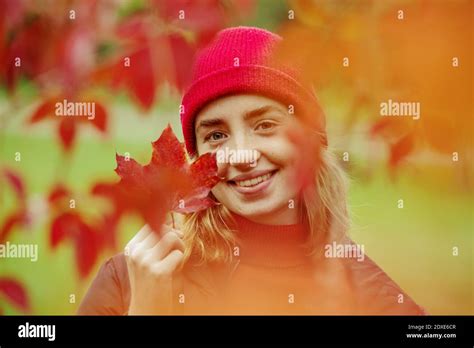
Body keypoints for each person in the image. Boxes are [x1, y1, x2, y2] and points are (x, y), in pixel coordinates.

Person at [78, 26, 425, 315]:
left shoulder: (374, 299)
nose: (241, 155)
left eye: (265, 125)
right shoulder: (130, 281)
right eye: (216, 135)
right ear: (195, 161)